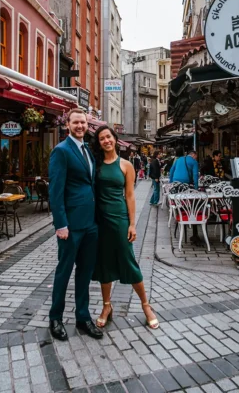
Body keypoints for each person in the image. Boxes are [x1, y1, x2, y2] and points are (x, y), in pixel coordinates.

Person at [91, 126, 160, 330]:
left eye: (109, 137)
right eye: (102, 138)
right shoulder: (96, 164)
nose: (106, 141)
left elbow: (129, 195)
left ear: (115, 139)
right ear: (99, 142)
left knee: (128, 260)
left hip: (119, 219)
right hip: (100, 221)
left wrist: (132, 224)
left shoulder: (126, 165)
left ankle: (146, 305)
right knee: (104, 264)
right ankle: (106, 306)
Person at [46, 107, 102, 341]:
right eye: (76, 123)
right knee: (64, 271)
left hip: (90, 224)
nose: (80, 126)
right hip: (71, 225)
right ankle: (55, 318)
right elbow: (55, 191)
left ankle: (83, 316)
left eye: (83, 123)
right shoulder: (61, 151)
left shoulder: (87, 149)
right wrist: (60, 225)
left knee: (85, 272)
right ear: (67, 124)